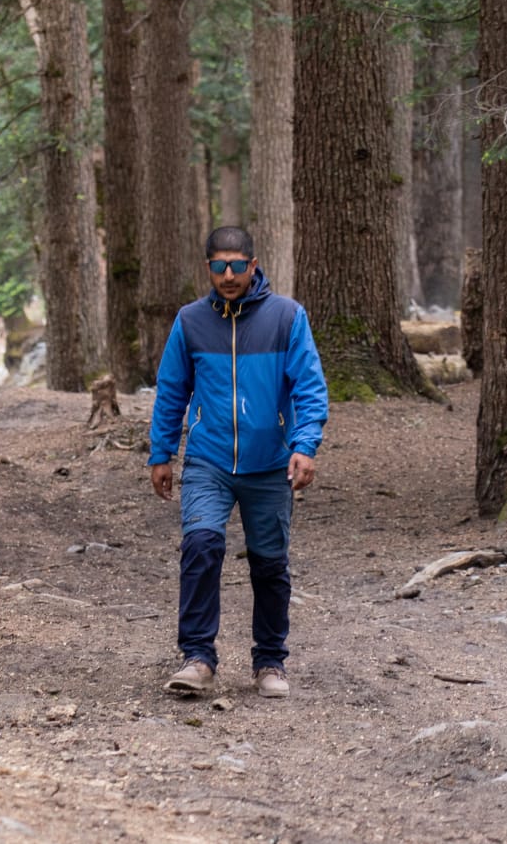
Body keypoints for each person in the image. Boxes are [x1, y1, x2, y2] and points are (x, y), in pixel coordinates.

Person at [147, 226, 328, 699]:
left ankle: (270, 661)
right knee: (202, 546)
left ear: (253, 264)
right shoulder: (189, 321)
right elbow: (171, 391)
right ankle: (198, 659)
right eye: (217, 265)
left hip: (270, 463)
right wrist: (161, 453)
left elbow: (310, 388)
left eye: (236, 265)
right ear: (207, 267)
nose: (227, 275)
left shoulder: (287, 317)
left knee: (269, 565)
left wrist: (305, 445)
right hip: (208, 460)